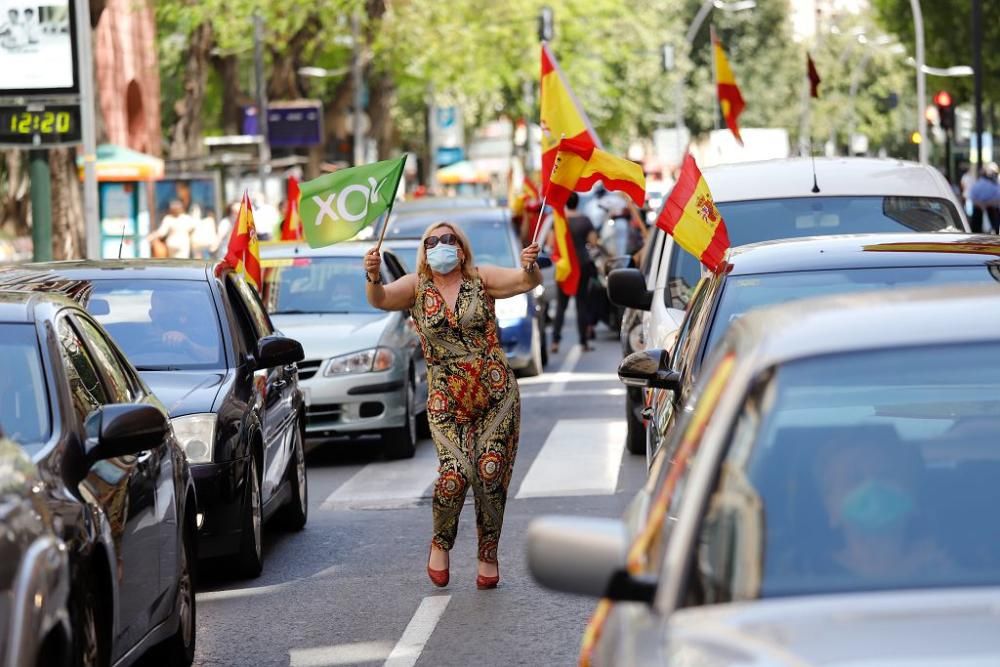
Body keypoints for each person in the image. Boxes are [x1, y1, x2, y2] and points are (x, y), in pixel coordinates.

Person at [364, 222, 541, 589]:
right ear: (425, 251)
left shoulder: (481, 277)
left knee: (491, 472)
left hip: (496, 393)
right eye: (432, 241)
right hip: (447, 397)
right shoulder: (416, 286)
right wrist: (371, 275)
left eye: (449, 240)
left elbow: (526, 282)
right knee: (455, 475)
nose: (441, 245)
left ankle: (487, 553)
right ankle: (441, 542)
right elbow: (380, 298)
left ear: (461, 249)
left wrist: (529, 265)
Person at [813, 434, 949, 580]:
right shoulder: (808, 576)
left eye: (886, 475)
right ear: (830, 506)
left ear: (913, 493)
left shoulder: (948, 570)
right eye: (855, 479)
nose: (873, 486)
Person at [550, 193, 598, 353]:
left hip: (564, 266)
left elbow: (551, 243)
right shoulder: (585, 220)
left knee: (561, 306)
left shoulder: (559, 220)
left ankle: (555, 342)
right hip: (582, 264)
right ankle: (583, 342)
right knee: (581, 304)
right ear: (577, 203)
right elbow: (593, 242)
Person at [147, 289, 217, 363]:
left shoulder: (202, 334)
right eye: (164, 316)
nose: (181, 319)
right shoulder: (140, 338)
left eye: (176, 314)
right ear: (152, 314)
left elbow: (216, 357)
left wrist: (189, 344)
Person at [969, 163, 1000, 234]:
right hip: (990, 213)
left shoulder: (977, 184)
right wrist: (986, 204)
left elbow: (973, 198)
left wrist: (982, 204)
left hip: (981, 212)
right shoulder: (994, 185)